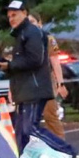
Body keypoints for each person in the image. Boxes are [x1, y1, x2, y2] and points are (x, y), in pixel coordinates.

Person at [0, 0, 75, 155]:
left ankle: (66, 151)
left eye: (14, 15)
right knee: (21, 133)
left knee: (31, 128)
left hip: (34, 89)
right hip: (25, 91)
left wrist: (10, 65)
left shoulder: (32, 33)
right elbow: (21, 64)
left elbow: (35, 60)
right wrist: (6, 66)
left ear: (24, 13)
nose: (11, 19)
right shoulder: (20, 35)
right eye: (9, 16)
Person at [29, 11, 68, 140]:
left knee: (50, 114)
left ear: (39, 23)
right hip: (28, 82)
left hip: (45, 82)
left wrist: (60, 84)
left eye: (32, 22)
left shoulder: (48, 39)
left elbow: (55, 62)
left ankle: (60, 146)